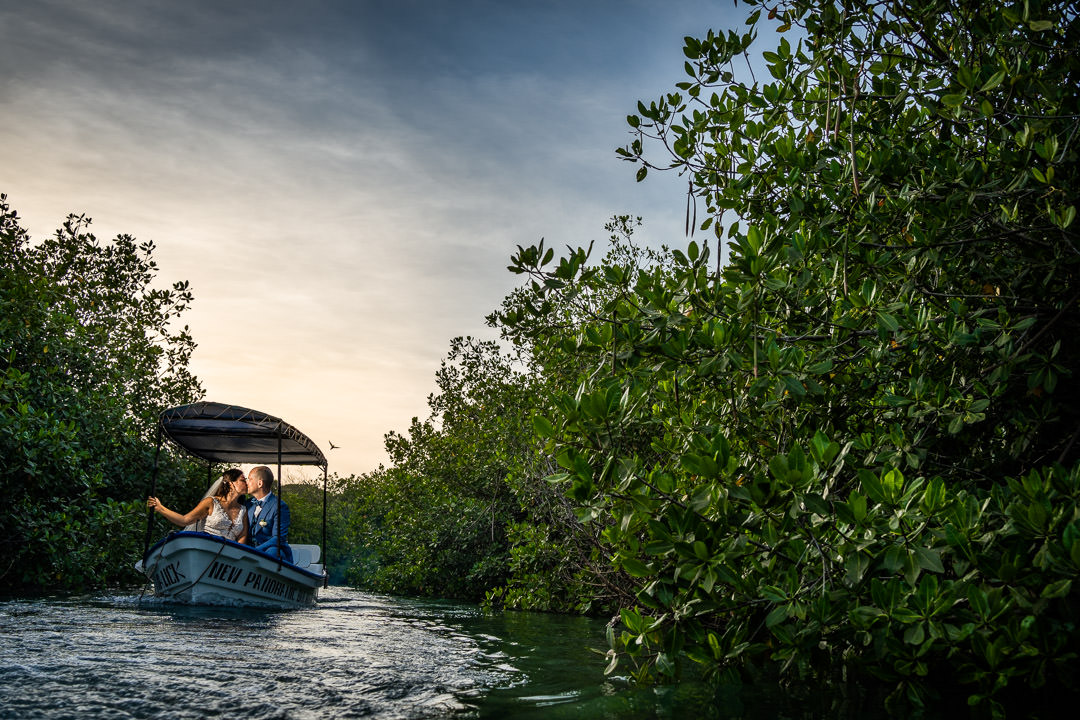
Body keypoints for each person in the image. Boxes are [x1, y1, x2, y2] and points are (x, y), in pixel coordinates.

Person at [147, 468, 249, 543]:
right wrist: (160, 508)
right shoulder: (211, 502)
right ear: (231, 484)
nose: (247, 483)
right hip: (206, 548)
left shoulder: (243, 510)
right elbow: (184, 520)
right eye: (243, 480)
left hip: (229, 557)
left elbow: (242, 537)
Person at [245, 465, 293, 562]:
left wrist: (254, 551)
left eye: (249, 479)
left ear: (260, 483)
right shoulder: (248, 504)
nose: (247, 483)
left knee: (272, 552)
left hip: (270, 551)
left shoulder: (279, 506)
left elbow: (278, 538)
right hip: (248, 550)